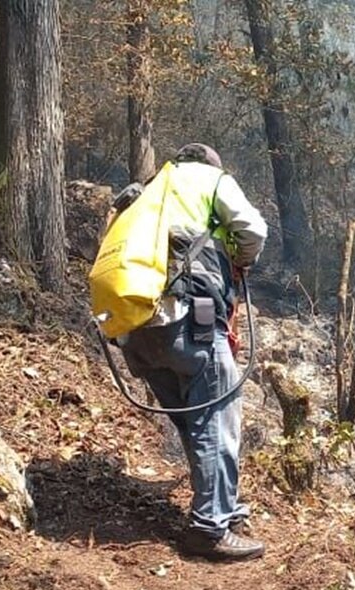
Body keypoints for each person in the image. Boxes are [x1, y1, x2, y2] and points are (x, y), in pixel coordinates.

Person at [118, 143, 268, 561]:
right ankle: (209, 529)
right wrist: (239, 259)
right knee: (217, 418)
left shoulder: (149, 190)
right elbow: (254, 230)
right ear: (211, 166)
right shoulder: (208, 180)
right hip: (191, 320)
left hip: (138, 331)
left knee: (192, 420)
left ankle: (223, 508)